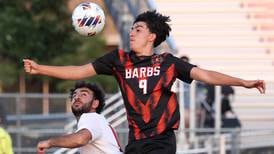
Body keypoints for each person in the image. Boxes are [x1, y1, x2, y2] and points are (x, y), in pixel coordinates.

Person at [24, 10, 265, 154]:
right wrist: (40, 68)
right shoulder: (118, 60)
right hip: (135, 142)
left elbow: (206, 75)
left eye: (137, 29)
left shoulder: (167, 62)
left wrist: (243, 82)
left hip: (161, 141)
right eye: (131, 28)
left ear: (151, 36)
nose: (131, 32)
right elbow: (79, 71)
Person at [37, 81, 123, 154]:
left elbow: (80, 139)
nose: (77, 97)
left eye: (84, 94)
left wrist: (49, 142)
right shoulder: (99, 120)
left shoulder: (90, 117)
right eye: (74, 95)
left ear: (95, 103)